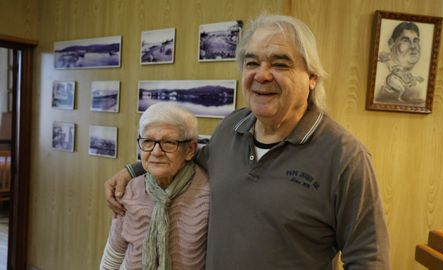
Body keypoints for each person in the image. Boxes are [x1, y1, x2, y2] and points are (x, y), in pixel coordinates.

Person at [105, 14, 390, 269]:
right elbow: (184, 157)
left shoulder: (344, 156)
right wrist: (132, 171)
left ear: (312, 78)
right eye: (252, 63)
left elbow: (369, 259)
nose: (262, 75)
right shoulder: (230, 128)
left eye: (280, 64)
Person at [100, 103, 209, 270]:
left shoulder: (208, 195)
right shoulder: (129, 189)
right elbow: (113, 255)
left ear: (190, 149)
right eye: (148, 141)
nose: (156, 152)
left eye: (169, 142)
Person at [377, 21, 424, 103]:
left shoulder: (417, 82)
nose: (413, 46)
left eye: (416, 41)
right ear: (391, 43)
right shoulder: (379, 73)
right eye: (405, 40)